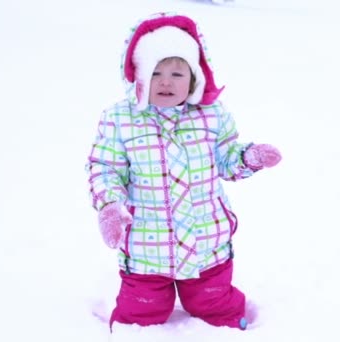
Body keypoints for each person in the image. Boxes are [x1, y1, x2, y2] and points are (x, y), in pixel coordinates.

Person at [85, 12, 281, 331]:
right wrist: (109, 206)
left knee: (214, 301)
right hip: (147, 245)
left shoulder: (211, 115)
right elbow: (105, 167)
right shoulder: (120, 119)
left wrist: (249, 157)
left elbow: (227, 158)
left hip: (207, 240)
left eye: (177, 73)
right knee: (141, 312)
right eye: (156, 72)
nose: (165, 81)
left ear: (193, 79)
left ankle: (236, 328)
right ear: (139, 77)